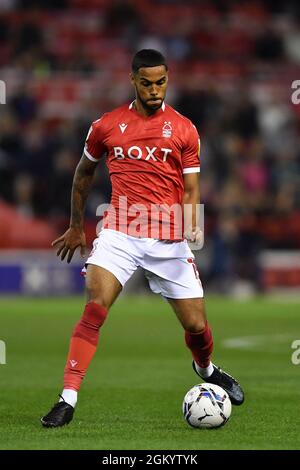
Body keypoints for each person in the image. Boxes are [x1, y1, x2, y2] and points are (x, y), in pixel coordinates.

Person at [41, 49, 244, 428]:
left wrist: (193, 222)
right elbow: (83, 173)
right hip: (119, 231)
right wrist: (74, 224)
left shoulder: (185, 129)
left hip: (168, 239)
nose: (155, 90)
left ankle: (205, 368)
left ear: (168, 79)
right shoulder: (106, 125)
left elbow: (191, 186)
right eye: (147, 83)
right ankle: (67, 398)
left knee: (197, 327)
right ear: (133, 80)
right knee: (95, 307)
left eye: (161, 82)